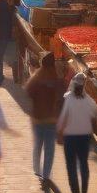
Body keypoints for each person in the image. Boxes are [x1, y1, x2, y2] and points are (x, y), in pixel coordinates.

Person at [56, 72, 97, 193]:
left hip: (70, 137)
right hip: (85, 137)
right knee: (84, 165)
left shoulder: (68, 99)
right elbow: (95, 114)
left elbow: (63, 117)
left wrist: (59, 133)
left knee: (71, 167)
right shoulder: (89, 101)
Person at [24, 52, 64, 186]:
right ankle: (46, 175)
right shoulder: (56, 79)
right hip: (51, 120)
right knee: (49, 149)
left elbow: (28, 91)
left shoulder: (36, 78)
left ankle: (37, 170)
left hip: (37, 119)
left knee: (37, 146)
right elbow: (61, 98)